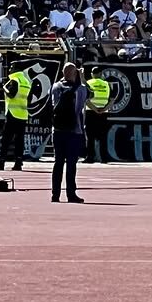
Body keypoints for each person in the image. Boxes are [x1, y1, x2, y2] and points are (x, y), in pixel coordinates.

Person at [50, 62, 88, 204]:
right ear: (75, 73)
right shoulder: (80, 89)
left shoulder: (56, 87)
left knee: (58, 162)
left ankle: (55, 194)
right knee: (71, 163)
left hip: (58, 130)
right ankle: (71, 194)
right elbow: (90, 94)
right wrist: (82, 77)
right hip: (74, 130)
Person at [0, 60, 33, 171]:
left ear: (16, 69)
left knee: (5, 140)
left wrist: (4, 88)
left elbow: (12, 94)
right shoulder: (26, 81)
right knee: (19, 140)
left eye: (11, 67)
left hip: (12, 114)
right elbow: (28, 98)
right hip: (23, 114)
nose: (9, 69)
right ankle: (18, 162)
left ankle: (0, 162)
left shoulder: (14, 80)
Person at [84, 66, 112, 164]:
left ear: (92, 74)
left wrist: (95, 109)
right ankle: (104, 158)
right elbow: (112, 100)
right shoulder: (106, 84)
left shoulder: (88, 83)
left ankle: (90, 157)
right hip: (103, 113)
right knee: (103, 136)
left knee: (90, 136)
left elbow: (86, 100)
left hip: (91, 112)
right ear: (101, 74)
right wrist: (105, 109)